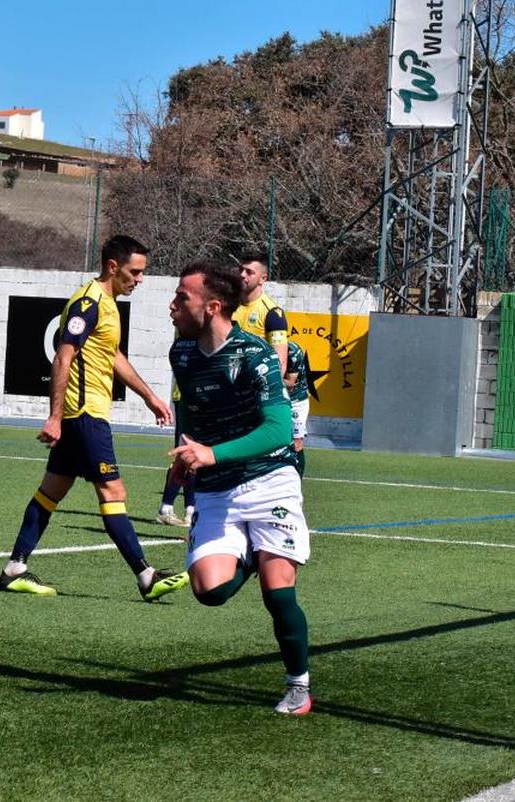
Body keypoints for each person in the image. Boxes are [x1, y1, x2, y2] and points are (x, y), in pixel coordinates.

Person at [0, 234, 189, 601]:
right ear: (113, 266)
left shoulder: (108, 303)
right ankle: (146, 576)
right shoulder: (88, 303)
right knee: (113, 491)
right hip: (84, 415)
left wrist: (149, 396)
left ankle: (14, 569)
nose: (140, 279)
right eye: (134, 272)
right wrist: (54, 416)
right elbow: (62, 356)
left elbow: (113, 355)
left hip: (83, 414)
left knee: (51, 491)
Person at [167, 261, 312, 715]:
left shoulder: (256, 355)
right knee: (210, 591)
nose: (172, 305)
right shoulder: (183, 354)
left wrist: (213, 453)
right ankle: (247, 555)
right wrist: (187, 457)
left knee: (278, 591)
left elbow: (277, 430)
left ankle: (299, 686)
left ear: (212, 307)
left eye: (181, 297)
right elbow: (192, 412)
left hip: (270, 479)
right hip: (217, 488)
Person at [233, 254, 289, 376]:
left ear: (262, 279)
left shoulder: (273, 313)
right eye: (241, 270)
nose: (242, 275)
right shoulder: (227, 305)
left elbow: (280, 363)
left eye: (249, 272)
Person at [155, 368, 195, 527]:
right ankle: (167, 508)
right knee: (187, 453)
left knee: (194, 455)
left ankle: (190, 511)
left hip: (203, 393)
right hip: (191, 394)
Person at [284, 339, 309, 477]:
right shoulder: (261, 348)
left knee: (296, 442)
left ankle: (298, 480)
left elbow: (290, 383)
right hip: (276, 399)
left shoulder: (293, 351)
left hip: (296, 401)